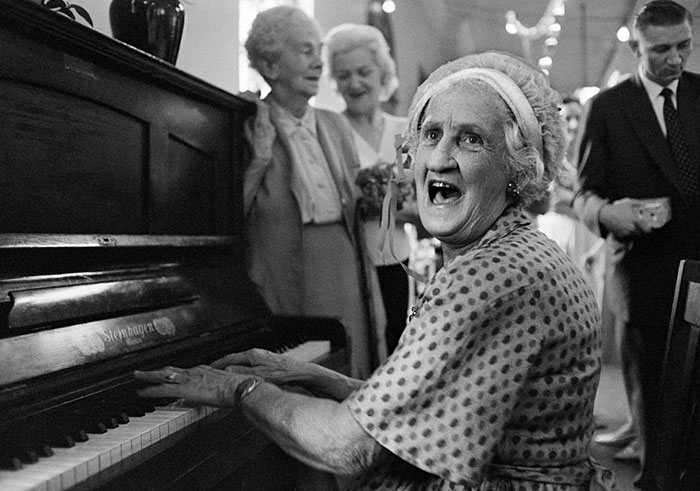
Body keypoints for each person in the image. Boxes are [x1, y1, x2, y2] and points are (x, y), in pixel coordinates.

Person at [134, 51, 616, 490]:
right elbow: (423, 409)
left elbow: (349, 446)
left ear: (516, 168)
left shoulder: (491, 277)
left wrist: (240, 389)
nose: (439, 159)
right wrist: (313, 376)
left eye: (471, 139)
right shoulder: (512, 249)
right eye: (431, 135)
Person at [574, 1, 700, 488]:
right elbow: (585, 194)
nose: (675, 58)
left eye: (684, 46)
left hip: (699, 269)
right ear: (636, 48)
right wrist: (608, 214)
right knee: (655, 418)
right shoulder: (607, 108)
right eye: (661, 49)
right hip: (645, 277)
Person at [240, 6, 386, 379]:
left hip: (346, 266)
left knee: (353, 368)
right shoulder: (248, 121)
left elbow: (354, 202)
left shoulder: (335, 125)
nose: (318, 62)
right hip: (286, 269)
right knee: (303, 375)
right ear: (270, 65)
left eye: (318, 51)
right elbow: (229, 216)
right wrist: (258, 160)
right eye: (305, 51)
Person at [323, 23, 415, 355]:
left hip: (396, 261)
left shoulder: (403, 132)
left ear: (382, 74)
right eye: (344, 75)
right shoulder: (331, 131)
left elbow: (417, 202)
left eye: (364, 72)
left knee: (395, 345)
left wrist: (388, 204)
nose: (355, 83)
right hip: (351, 266)